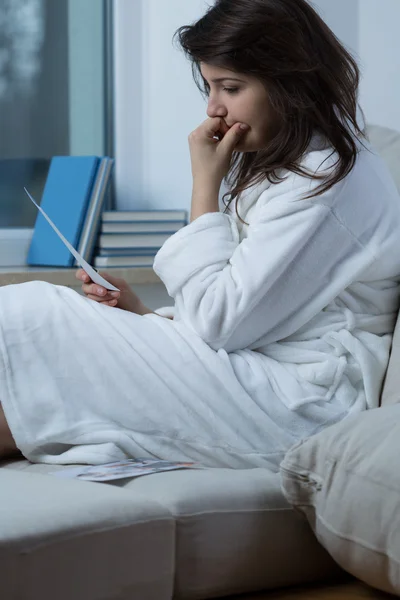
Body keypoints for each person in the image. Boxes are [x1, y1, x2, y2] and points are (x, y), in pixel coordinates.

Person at [0, 0, 400, 471]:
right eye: (210, 86)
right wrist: (143, 316)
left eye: (230, 87)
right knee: (35, 344)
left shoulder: (327, 180)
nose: (213, 107)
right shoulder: (292, 166)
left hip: (302, 402)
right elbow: (240, 314)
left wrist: (204, 185)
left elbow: (219, 324)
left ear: (291, 82)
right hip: (258, 371)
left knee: (33, 311)